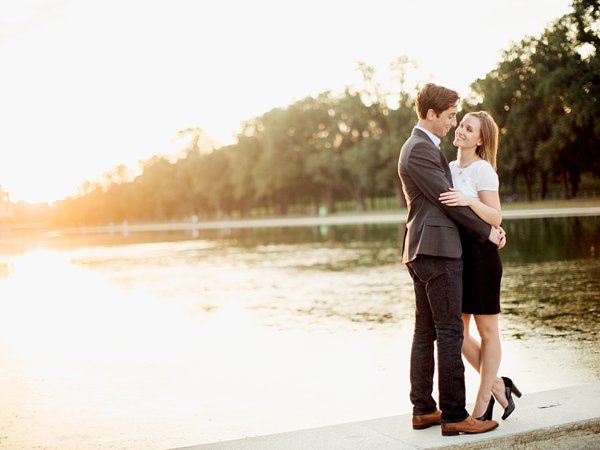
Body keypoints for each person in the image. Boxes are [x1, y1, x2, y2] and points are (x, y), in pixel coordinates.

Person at [397, 83, 505, 436]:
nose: (453, 123)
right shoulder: (420, 150)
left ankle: (425, 409)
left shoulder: (428, 151)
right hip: (437, 249)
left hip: (430, 248)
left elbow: (466, 201)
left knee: (429, 330)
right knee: (448, 331)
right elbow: (446, 200)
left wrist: (487, 225)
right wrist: (487, 231)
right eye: (449, 116)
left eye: (458, 118)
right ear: (430, 114)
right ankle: (454, 415)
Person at [439, 111, 521, 421]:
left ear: (481, 139)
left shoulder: (483, 170)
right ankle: (500, 385)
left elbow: (496, 216)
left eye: (468, 128)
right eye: (460, 125)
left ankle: (483, 399)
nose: (460, 130)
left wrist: (468, 200)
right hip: (458, 258)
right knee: (457, 333)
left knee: (487, 332)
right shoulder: (448, 168)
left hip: (483, 258)